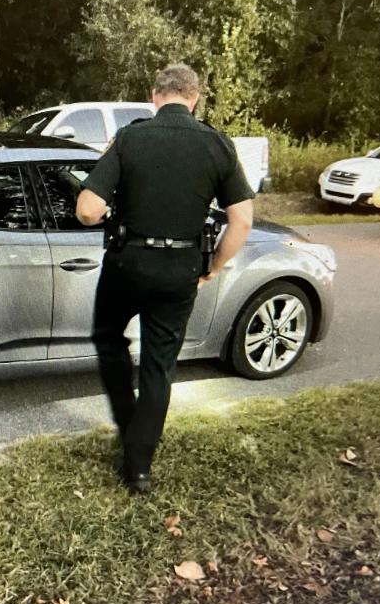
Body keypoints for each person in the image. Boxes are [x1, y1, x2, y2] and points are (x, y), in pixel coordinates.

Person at [76, 63, 254, 494]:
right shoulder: (218, 144)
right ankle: (138, 467)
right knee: (159, 365)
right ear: (194, 99)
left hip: (127, 266)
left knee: (107, 337)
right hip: (181, 272)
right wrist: (212, 269)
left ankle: (126, 418)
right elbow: (243, 220)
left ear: (155, 96)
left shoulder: (131, 137)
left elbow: (87, 210)